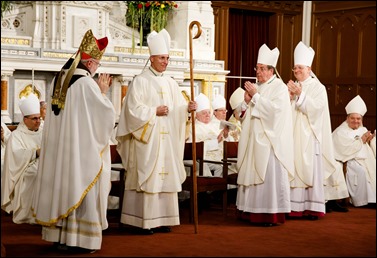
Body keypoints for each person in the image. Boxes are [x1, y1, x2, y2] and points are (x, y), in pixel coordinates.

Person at [31, 29, 115, 253]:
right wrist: (103, 93)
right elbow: (103, 116)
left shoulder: (61, 77)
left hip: (61, 151)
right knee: (85, 182)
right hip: (80, 151)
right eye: (96, 63)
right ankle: (79, 239)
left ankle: (60, 236)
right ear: (88, 61)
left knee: (63, 185)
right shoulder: (87, 84)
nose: (97, 67)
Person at [115, 29, 197, 235]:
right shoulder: (140, 81)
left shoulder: (170, 83)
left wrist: (187, 109)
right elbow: (131, 111)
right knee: (148, 177)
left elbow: (177, 109)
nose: (165, 61)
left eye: (167, 58)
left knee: (165, 176)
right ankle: (142, 221)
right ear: (151, 58)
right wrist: (154, 111)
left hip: (167, 140)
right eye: (162, 58)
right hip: (147, 140)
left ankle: (163, 219)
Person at [286, 41, 349, 219]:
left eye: (300, 67)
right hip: (294, 135)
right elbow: (284, 112)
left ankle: (312, 208)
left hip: (310, 136)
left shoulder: (318, 87)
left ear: (309, 68)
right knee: (295, 167)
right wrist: (289, 98)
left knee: (310, 171)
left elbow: (317, 110)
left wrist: (300, 95)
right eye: (295, 68)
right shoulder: (292, 86)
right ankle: (293, 207)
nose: (297, 70)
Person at [236, 44, 294, 227]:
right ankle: (250, 211)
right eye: (257, 68)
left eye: (262, 69)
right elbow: (240, 114)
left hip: (269, 143)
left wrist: (256, 97)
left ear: (271, 70)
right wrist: (245, 102)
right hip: (253, 139)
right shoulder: (257, 87)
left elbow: (276, 113)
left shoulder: (279, 87)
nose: (258, 72)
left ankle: (269, 214)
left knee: (268, 176)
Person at [1, 93, 42, 224]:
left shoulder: (44, 132)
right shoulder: (16, 136)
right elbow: (15, 157)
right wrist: (35, 153)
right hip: (24, 171)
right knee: (34, 173)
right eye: (34, 118)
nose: (38, 121)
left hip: (44, 164)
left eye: (39, 118)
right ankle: (30, 214)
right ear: (25, 119)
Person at [332, 95, 376, 207]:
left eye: (358, 119)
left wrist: (370, 140)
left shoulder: (363, 129)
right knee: (361, 171)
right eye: (352, 118)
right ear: (347, 118)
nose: (356, 121)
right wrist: (361, 141)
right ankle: (362, 201)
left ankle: (373, 198)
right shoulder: (340, 131)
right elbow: (343, 150)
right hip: (349, 160)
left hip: (365, 159)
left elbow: (365, 146)